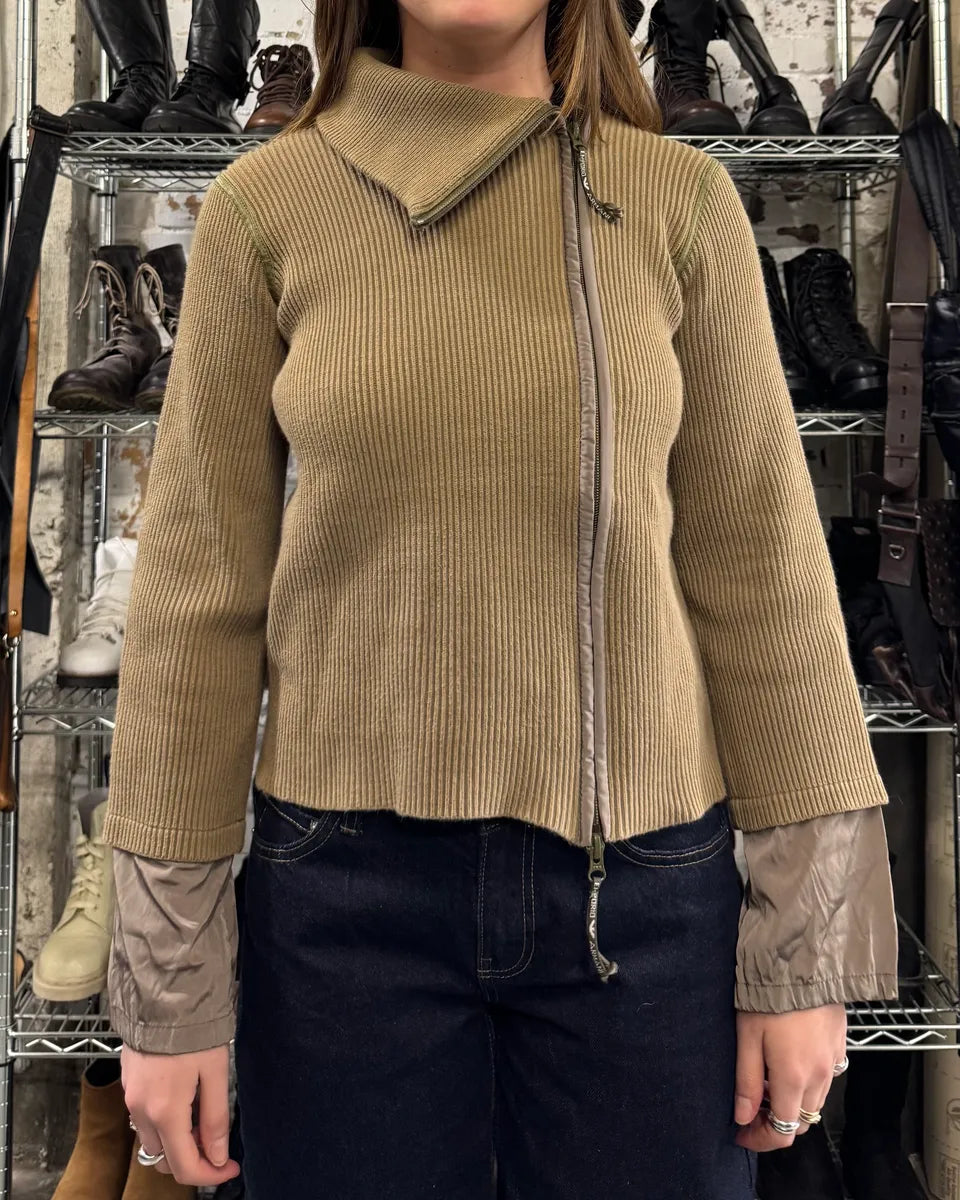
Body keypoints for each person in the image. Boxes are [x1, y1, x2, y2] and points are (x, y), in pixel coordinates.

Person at [101, 2, 899, 1197]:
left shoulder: (676, 202)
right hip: (339, 899)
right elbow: (196, 600)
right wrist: (169, 985)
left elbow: (765, 576)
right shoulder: (270, 205)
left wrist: (804, 948)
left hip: (642, 899)